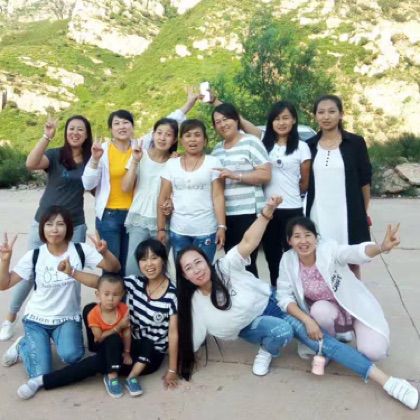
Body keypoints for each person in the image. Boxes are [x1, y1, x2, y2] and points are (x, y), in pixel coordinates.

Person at [176, 197, 419, 410]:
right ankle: (268, 349)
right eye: (189, 268)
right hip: (252, 326)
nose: (196, 270)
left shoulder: (224, 267)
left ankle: (389, 382)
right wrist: (172, 367)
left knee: (326, 343)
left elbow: (248, 242)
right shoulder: (194, 303)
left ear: (207, 261)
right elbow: (189, 336)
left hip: (275, 305)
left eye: (198, 262)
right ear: (184, 276)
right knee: (280, 330)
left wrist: (266, 213)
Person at [16, 239, 178, 399]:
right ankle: (102, 356)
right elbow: (100, 284)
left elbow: (173, 334)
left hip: (149, 354)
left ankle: (41, 381)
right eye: (143, 259)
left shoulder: (172, 295)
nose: (149, 264)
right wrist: (71, 272)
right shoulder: (135, 283)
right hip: (126, 342)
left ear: (163, 260)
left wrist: (172, 370)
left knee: (98, 363)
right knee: (92, 310)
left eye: (154, 258)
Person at [0, 206, 120, 389]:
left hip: (66, 318)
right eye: (49, 224)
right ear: (42, 228)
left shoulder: (79, 250)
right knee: (41, 373)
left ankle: (45, 341)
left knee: (72, 356)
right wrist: (5, 260)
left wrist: (104, 252)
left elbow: (113, 268)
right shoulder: (35, 255)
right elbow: (4, 284)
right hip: (36, 319)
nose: (54, 229)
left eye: (60, 224)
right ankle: (22, 345)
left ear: (68, 227)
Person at [82, 92, 201, 276]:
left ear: (132, 127)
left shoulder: (140, 145)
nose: (121, 126)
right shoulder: (104, 150)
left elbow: (167, 124)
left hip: (141, 214)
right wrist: (95, 160)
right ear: (110, 129)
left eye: (125, 122)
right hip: (113, 215)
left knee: (148, 268)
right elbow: (88, 183)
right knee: (116, 267)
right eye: (116, 123)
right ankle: (115, 295)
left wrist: (189, 103)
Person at [0, 115, 93, 342]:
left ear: (86, 134)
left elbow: (98, 185)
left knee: (71, 273)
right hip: (44, 223)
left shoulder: (92, 159)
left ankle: (68, 320)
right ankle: (10, 319)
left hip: (74, 225)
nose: (75, 133)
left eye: (80, 129)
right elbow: (31, 163)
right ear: (66, 132)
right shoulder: (55, 155)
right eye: (71, 128)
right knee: (31, 271)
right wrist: (46, 136)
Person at [277, 216, 393, 363]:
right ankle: (328, 346)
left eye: (308, 235)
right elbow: (284, 296)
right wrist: (307, 320)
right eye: (297, 236)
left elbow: (353, 252)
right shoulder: (288, 260)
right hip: (325, 312)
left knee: (374, 352)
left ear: (316, 238)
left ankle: (355, 333)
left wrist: (381, 247)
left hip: (353, 307)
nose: (303, 241)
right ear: (289, 241)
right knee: (320, 310)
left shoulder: (329, 249)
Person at [239, 101, 311, 286]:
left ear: (293, 120)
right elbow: (241, 121)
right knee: (272, 256)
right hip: (268, 210)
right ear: (271, 122)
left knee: (295, 254)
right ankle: (276, 291)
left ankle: (298, 292)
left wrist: (290, 192)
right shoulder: (264, 143)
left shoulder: (302, 147)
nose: (281, 122)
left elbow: (305, 182)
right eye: (277, 119)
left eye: (286, 118)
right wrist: (215, 101)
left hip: (292, 209)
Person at [306, 95, 372, 279]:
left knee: (351, 261)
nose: (326, 116)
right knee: (320, 260)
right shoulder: (309, 145)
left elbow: (365, 181)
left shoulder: (355, 143)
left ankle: (353, 297)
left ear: (341, 114)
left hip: (347, 213)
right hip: (318, 213)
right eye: (321, 112)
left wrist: (363, 211)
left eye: (332, 111)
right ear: (315, 116)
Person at [211, 103, 271, 276]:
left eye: (226, 119)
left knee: (247, 262)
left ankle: (253, 293)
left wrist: (236, 175)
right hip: (226, 215)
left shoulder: (251, 142)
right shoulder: (217, 150)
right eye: (218, 122)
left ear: (236, 119)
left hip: (248, 213)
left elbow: (266, 174)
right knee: (231, 263)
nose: (222, 124)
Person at [157, 119, 225, 263]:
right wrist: (161, 229)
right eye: (188, 135)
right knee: (182, 272)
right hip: (178, 231)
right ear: (181, 140)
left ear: (205, 140)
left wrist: (221, 226)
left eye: (197, 135)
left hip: (206, 230)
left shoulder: (213, 162)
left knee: (204, 271)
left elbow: (218, 196)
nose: (192, 139)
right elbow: (163, 197)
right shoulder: (171, 164)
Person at [122, 118, 178, 276]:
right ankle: (132, 293)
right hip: (139, 218)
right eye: (159, 133)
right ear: (153, 135)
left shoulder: (175, 162)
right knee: (133, 267)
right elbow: (125, 187)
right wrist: (135, 161)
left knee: (159, 270)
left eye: (168, 134)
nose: (162, 138)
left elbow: (176, 193)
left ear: (174, 140)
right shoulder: (140, 155)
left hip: (163, 222)